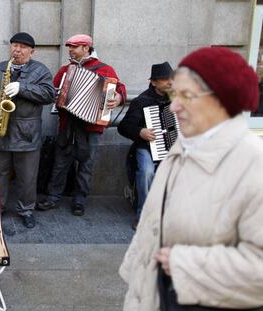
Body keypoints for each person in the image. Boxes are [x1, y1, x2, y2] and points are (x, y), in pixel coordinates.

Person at [119, 47, 263, 310]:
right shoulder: (180, 151)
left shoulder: (254, 165)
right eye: (175, 94)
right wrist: (135, 276)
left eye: (186, 95)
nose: (174, 105)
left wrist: (183, 265)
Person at [37, 34, 126, 216]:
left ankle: (79, 200)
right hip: (67, 125)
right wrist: (57, 95)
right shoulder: (65, 70)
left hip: (92, 127)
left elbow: (120, 89)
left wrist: (117, 98)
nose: (70, 50)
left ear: (86, 48)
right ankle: (53, 197)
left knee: (86, 164)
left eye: (74, 47)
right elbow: (52, 90)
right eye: (69, 47)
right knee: (60, 162)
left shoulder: (106, 70)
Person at [0, 32, 56, 228]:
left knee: (27, 176)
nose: (17, 49)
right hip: (0, 131)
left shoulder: (40, 71)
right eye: (14, 45)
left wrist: (23, 88)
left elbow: (49, 94)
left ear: (32, 51)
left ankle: (26, 210)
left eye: (22, 46)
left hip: (27, 133)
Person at [117, 62, 172, 229]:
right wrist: (140, 131)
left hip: (173, 149)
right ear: (153, 82)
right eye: (165, 80)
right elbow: (123, 127)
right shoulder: (142, 101)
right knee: (147, 172)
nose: (170, 82)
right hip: (146, 147)